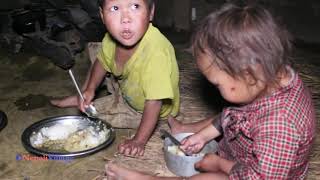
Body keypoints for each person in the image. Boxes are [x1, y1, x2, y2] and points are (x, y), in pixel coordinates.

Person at [105, 3, 316, 180]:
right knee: (230, 107)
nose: (214, 89)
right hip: (244, 152)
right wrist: (203, 136)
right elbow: (233, 113)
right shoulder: (265, 77)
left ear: (249, 77)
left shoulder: (280, 126)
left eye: (217, 84)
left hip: (259, 174)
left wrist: (220, 164)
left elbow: (260, 177)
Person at [51, 0, 180, 157]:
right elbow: (101, 62)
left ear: (151, 12)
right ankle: (83, 94)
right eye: (115, 8)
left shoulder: (156, 53)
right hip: (128, 85)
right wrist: (91, 88)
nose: (125, 18)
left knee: (95, 120)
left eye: (135, 6)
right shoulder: (111, 38)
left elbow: (154, 102)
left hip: (148, 110)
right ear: (102, 15)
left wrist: (139, 141)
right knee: (99, 51)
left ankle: (88, 99)